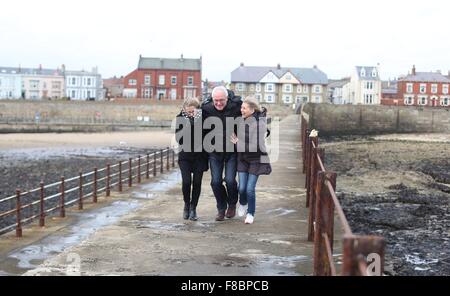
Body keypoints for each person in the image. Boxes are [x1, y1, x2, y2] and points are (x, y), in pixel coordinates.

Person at [202, 86, 242, 221]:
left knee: (230, 181)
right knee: (215, 182)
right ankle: (221, 208)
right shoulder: (206, 109)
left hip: (231, 152)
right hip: (214, 152)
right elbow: (190, 116)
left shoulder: (236, 106)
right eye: (216, 100)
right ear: (212, 99)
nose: (218, 103)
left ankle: (232, 205)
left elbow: (251, 111)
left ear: (227, 99)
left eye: (221, 100)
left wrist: (261, 112)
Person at [230, 96, 272, 224]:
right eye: (241, 107)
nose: (241, 110)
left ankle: (250, 213)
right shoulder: (241, 120)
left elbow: (255, 146)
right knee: (241, 188)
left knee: (249, 189)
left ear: (252, 110)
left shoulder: (260, 124)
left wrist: (237, 143)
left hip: (256, 159)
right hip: (243, 159)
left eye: (244, 108)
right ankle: (242, 203)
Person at [175, 97, 208, 221]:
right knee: (187, 182)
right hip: (185, 156)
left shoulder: (204, 119)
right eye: (188, 112)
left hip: (200, 156)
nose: (190, 114)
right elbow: (179, 139)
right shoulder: (180, 119)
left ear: (197, 110)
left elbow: (207, 136)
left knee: (197, 183)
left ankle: (194, 208)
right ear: (184, 110)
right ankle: (186, 205)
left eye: (192, 112)